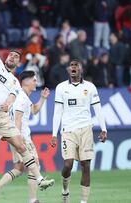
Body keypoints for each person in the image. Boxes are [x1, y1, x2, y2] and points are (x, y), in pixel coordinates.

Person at [0, 6, 54, 202]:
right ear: (5, 58)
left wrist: (8, 103)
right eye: (10, 55)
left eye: (16, 57)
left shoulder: (15, 84)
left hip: (2, 116)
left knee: (20, 145)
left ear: (18, 64)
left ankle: (39, 178)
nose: (12, 57)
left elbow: (12, 97)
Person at [50, 60, 107, 203]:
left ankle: (83, 201)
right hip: (68, 130)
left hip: (86, 129)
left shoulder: (90, 87)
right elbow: (57, 112)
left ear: (81, 69)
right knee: (68, 165)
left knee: (85, 166)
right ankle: (65, 190)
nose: (74, 67)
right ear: (68, 70)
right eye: (71, 65)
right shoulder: (61, 88)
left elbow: (98, 108)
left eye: (76, 65)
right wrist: (53, 134)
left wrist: (104, 129)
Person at [0, 71, 50, 203]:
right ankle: (32, 199)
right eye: (34, 80)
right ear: (26, 81)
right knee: (34, 165)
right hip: (21, 137)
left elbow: (34, 110)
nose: (36, 82)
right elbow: (18, 119)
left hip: (15, 135)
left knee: (18, 169)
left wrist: (43, 98)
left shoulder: (22, 96)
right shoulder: (21, 97)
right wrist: (18, 139)